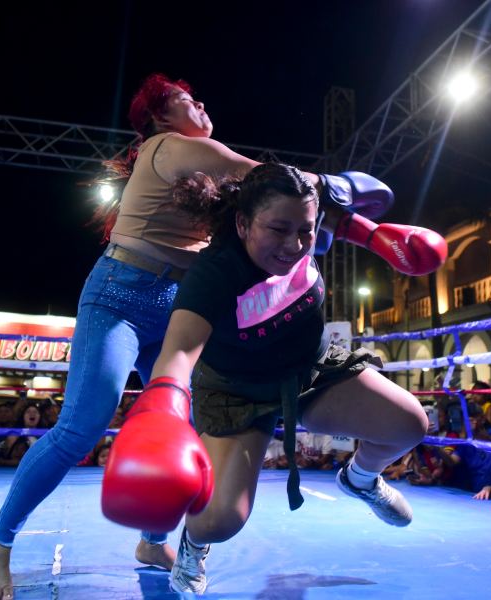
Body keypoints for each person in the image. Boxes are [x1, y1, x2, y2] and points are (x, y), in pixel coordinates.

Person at [0, 72, 404, 599]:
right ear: (160, 117)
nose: (200, 104)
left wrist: (370, 235)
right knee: (81, 427)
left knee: (194, 430)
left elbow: (284, 213)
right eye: (186, 100)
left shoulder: (207, 175)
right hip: (120, 298)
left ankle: (154, 541)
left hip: (184, 304)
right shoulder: (168, 146)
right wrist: (350, 197)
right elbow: (273, 180)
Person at [101, 163, 445, 594]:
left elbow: (361, 197)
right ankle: (193, 545)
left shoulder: (306, 225)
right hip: (237, 391)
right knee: (218, 520)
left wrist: (372, 233)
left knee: (409, 424)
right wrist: (161, 408)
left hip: (311, 369)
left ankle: (360, 479)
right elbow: (181, 350)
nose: (294, 245)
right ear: (243, 224)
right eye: (279, 230)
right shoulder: (216, 272)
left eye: (305, 231)